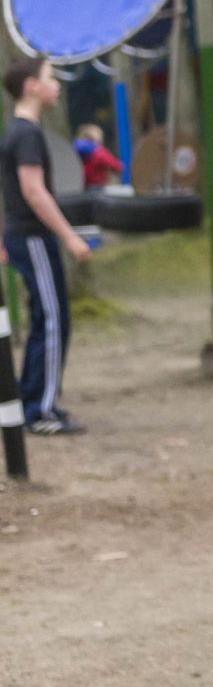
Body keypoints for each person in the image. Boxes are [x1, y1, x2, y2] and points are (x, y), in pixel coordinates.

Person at [0, 57, 92, 435]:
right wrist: (70, 236)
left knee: (43, 318)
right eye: (50, 78)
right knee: (54, 321)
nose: (57, 85)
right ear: (31, 87)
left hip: (22, 236)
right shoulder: (27, 135)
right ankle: (41, 411)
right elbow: (33, 192)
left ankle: (31, 398)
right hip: (34, 237)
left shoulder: (15, 131)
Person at [73, 123, 122, 189]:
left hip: (79, 186)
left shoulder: (74, 150)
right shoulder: (98, 151)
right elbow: (116, 166)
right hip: (96, 187)